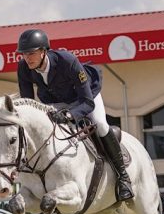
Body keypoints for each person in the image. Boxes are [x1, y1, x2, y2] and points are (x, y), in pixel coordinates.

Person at [16, 29, 134, 201]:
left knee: (100, 124)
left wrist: (71, 116)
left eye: (31, 53)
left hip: (84, 98)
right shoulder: (24, 68)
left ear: (44, 51)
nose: (27, 58)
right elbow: (28, 104)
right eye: (24, 54)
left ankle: (123, 177)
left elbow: (87, 102)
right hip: (55, 101)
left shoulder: (67, 61)